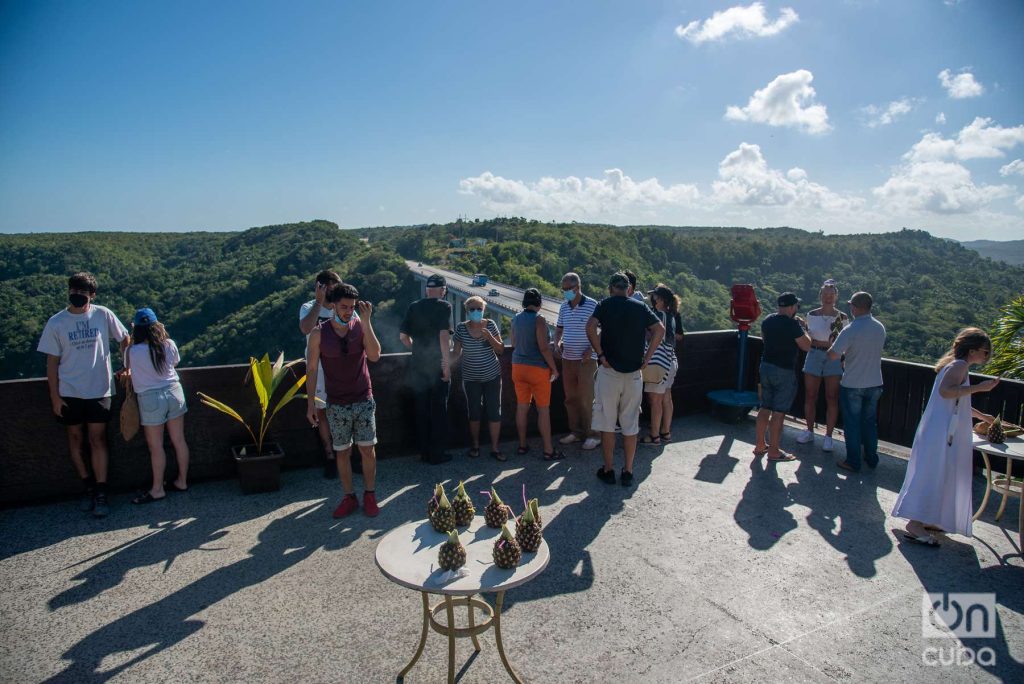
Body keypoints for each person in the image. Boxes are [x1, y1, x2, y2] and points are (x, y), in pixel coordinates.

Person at [891, 329, 1000, 545]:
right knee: (933, 472)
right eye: (985, 352)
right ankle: (915, 522)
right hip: (940, 430)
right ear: (973, 350)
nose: (986, 357)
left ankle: (926, 517)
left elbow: (957, 398)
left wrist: (980, 415)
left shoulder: (956, 364)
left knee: (939, 471)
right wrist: (980, 387)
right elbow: (946, 392)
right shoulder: (958, 366)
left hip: (939, 427)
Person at [37, 272, 129, 518]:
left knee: (97, 440)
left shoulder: (103, 314)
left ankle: (101, 491)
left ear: (92, 295)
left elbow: (124, 338)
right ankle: (87, 486)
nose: (76, 296)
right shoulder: (56, 322)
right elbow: (51, 363)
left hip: (99, 388)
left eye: (82, 292)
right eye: (73, 291)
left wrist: (126, 365)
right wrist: (55, 397)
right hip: (70, 391)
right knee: (76, 439)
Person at [305, 283, 382, 517]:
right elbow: (311, 368)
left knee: (368, 450)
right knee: (342, 451)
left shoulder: (360, 326)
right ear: (333, 306)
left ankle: (370, 494)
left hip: (362, 398)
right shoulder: (318, 333)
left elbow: (374, 355)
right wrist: (311, 403)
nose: (348, 311)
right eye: (343, 307)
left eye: (351, 307)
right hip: (336, 402)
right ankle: (349, 497)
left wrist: (367, 322)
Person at [587, 272, 665, 486]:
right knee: (630, 424)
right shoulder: (640, 307)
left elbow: (590, 327)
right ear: (629, 289)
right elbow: (660, 329)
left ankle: (608, 469)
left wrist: (601, 354)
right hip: (633, 374)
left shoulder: (604, 305)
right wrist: (647, 358)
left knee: (607, 424)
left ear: (611, 288)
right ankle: (628, 471)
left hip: (609, 371)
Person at [125, 308, 190, 504]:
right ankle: (182, 481)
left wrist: (129, 339)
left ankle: (157, 489)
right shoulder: (169, 344)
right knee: (179, 440)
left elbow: (127, 366)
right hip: (174, 392)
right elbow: (175, 363)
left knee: (156, 447)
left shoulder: (132, 351)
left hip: (150, 398)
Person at [299, 269, 353, 479]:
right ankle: (329, 456)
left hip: (344, 367)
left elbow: (356, 330)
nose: (332, 292)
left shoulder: (345, 307)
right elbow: (305, 328)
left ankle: (350, 454)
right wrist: (319, 303)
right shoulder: (308, 307)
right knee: (322, 412)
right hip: (318, 367)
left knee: (350, 410)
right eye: (327, 288)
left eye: (334, 288)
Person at [827, 291, 886, 472]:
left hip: (853, 383)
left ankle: (853, 461)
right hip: (875, 382)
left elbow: (833, 355)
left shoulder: (851, 329)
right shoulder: (879, 327)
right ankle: (871, 457)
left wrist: (833, 345)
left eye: (851, 305)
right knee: (869, 422)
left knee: (852, 424)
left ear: (855, 307)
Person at [400, 273, 453, 465]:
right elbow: (443, 337)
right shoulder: (444, 306)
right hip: (436, 364)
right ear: (443, 290)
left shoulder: (414, 306)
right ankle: (437, 454)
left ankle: (423, 452)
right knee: (438, 410)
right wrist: (446, 365)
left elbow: (403, 337)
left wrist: (417, 350)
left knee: (421, 409)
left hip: (417, 365)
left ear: (427, 289)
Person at [753, 293, 812, 462]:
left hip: (766, 367)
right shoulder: (793, 324)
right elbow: (806, 346)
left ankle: (759, 445)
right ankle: (774, 451)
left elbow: (765, 340)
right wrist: (804, 328)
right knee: (778, 413)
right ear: (793, 307)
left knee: (765, 407)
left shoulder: (767, 321)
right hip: (784, 370)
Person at [796, 279, 849, 452]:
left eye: (831, 295)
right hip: (814, 354)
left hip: (833, 356)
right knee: (810, 395)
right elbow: (809, 335)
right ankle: (809, 430)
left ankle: (828, 436)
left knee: (831, 397)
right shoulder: (812, 314)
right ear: (820, 296)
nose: (828, 297)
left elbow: (845, 341)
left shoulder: (842, 317)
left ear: (836, 296)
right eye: (825, 294)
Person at [510, 288, 562, 460]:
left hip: (518, 367)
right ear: (539, 303)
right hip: (537, 369)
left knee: (522, 407)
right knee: (543, 410)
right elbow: (543, 348)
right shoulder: (539, 320)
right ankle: (548, 450)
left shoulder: (516, 319)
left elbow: (514, 342)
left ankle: (522, 445)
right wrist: (554, 368)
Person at [452, 296, 505, 461]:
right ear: (467, 311)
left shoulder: (490, 325)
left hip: (492, 376)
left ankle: (495, 448)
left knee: (494, 411)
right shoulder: (461, 328)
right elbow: (456, 353)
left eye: (479, 309)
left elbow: (501, 350)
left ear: (484, 310)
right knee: (474, 412)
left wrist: (489, 336)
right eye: (472, 309)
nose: (476, 312)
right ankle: (475, 445)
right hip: (471, 377)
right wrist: (443, 362)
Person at [554, 272, 600, 450]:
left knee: (587, 398)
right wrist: (557, 343)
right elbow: (559, 329)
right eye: (563, 289)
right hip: (568, 359)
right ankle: (576, 431)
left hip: (586, 360)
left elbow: (601, 330)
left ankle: (593, 434)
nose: (565, 292)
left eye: (568, 289)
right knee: (571, 398)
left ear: (578, 287)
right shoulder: (564, 307)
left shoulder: (592, 305)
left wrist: (593, 348)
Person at [640, 285, 679, 445]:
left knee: (655, 400)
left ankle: (654, 436)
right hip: (670, 361)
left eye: (654, 296)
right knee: (666, 398)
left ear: (660, 299)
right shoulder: (671, 315)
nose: (652, 299)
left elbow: (656, 335)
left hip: (657, 361)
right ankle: (665, 432)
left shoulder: (658, 315)